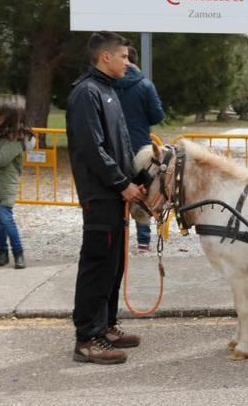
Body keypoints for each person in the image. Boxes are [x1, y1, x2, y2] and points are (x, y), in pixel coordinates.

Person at [67, 31, 145, 365]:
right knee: (98, 264)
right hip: (101, 195)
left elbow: (120, 147)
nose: (128, 63)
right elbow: (91, 148)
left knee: (113, 265)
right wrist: (119, 184)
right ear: (106, 57)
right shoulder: (86, 93)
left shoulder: (106, 90)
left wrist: (135, 181)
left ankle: (106, 326)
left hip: (114, 194)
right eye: (124, 57)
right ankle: (87, 338)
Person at [114, 46, 164, 253]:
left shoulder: (108, 83)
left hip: (114, 145)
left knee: (117, 188)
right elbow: (157, 116)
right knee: (141, 191)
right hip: (139, 145)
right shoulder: (145, 85)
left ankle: (118, 238)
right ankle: (143, 240)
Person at [0, 104, 34, 269]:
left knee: (6, 219)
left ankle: (18, 252)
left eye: (1, 115)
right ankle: (2, 252)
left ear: (7, 118)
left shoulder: (15, 141)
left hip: (5, 186)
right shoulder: (1, 137)